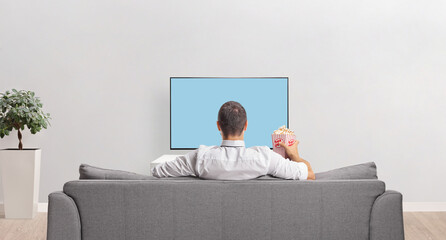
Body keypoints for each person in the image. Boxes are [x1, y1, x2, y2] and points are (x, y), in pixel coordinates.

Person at [151, 101, 315, 180]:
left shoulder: (198, 158)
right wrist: (295, 155)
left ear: (218, 126)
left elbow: (157, 173)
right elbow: (310, 175)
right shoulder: (266, 157)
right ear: (246, 126)